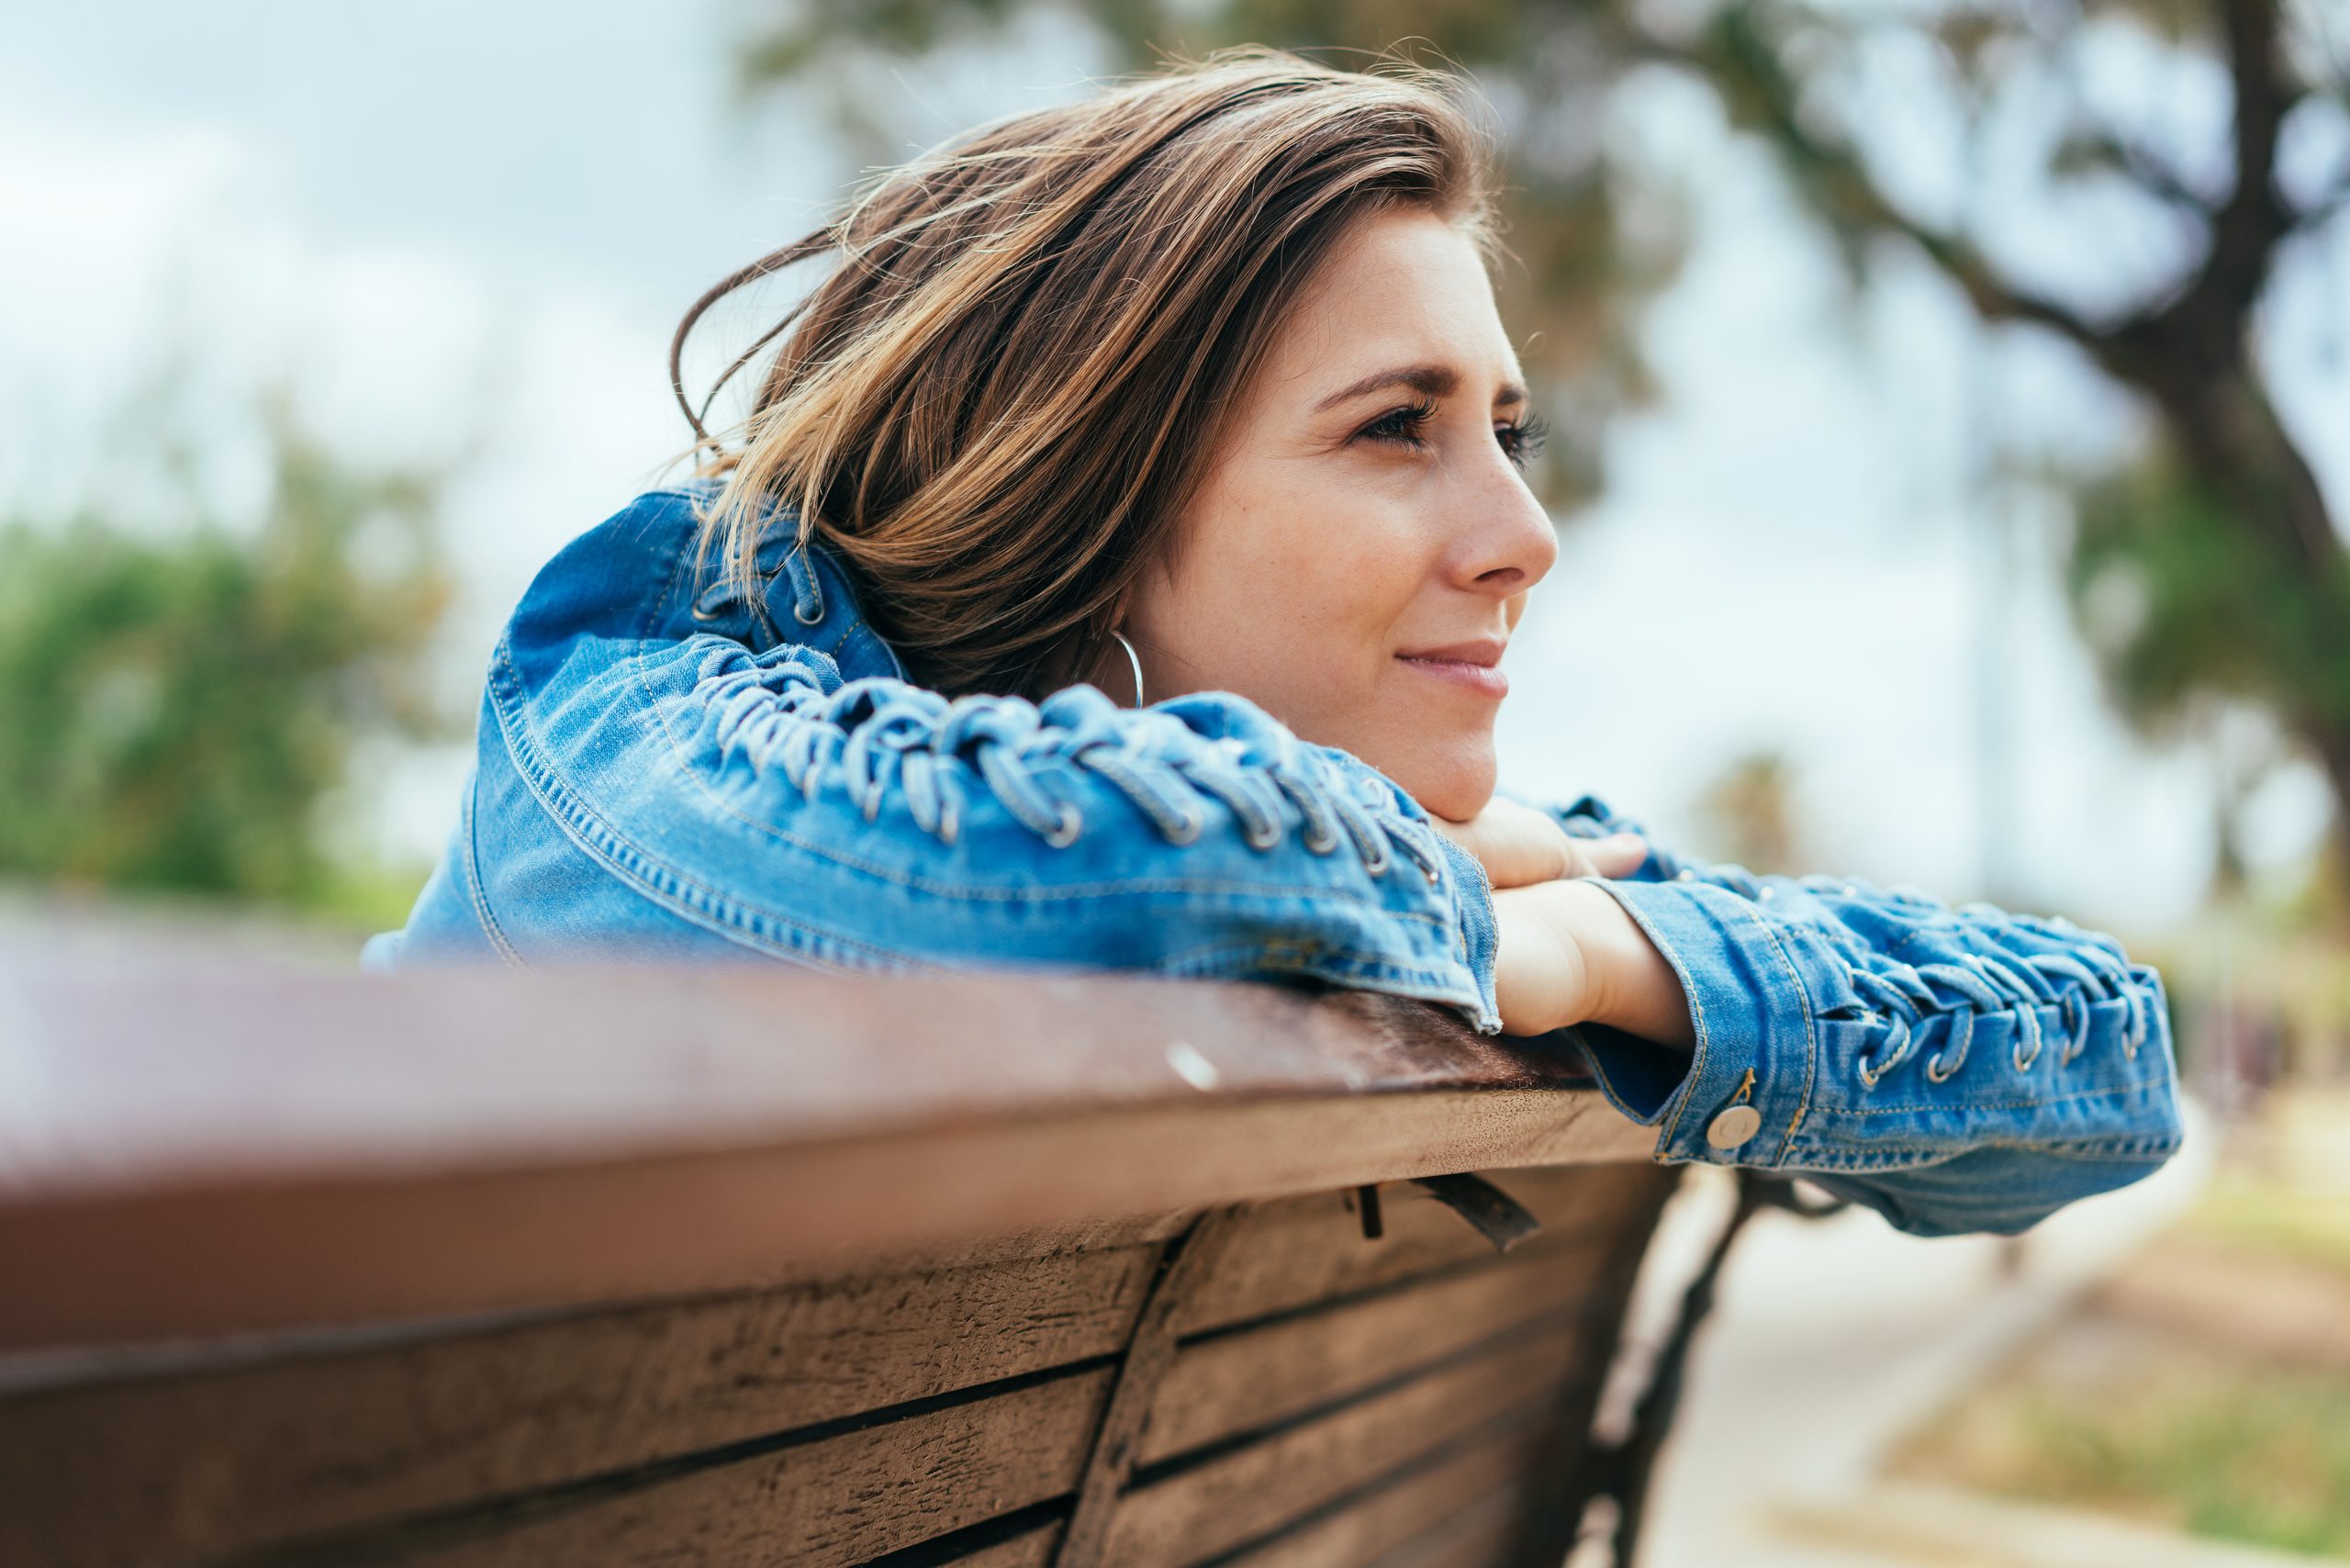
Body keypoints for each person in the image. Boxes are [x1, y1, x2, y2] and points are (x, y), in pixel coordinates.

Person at [366, 48, 2182, 1238]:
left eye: (1507, 431)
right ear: (1092, 495)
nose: (1523, 536)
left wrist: (1599, 943)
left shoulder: (1361, 843)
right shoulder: (644, 714)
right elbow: (1083, 882)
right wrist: (1480, 909)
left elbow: (2095, 1061)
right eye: (1398, 426)